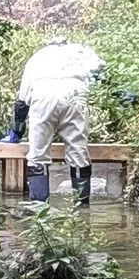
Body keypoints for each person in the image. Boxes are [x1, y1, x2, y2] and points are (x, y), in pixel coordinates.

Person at [14, 38, 105, 203]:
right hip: (74, 94)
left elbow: (22, 102)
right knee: (78, 152)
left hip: (43, 95)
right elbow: (103, 77)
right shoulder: (81, 52)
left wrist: (16, 131)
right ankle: (81, 209)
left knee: (38, 154)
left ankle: (39, 208)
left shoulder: (38, 56)